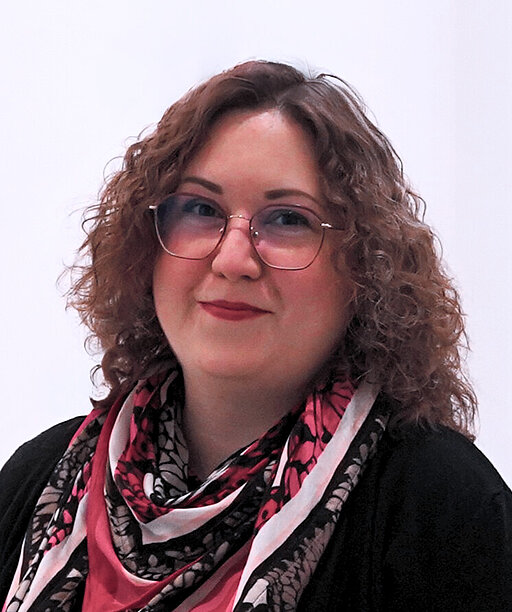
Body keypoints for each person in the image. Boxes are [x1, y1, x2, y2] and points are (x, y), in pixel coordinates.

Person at [0, 60, 510, 611]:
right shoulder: (37, 479)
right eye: (201, 209)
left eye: (288, 219)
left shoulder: (441, 507)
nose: (233, 259)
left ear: (366, 268)